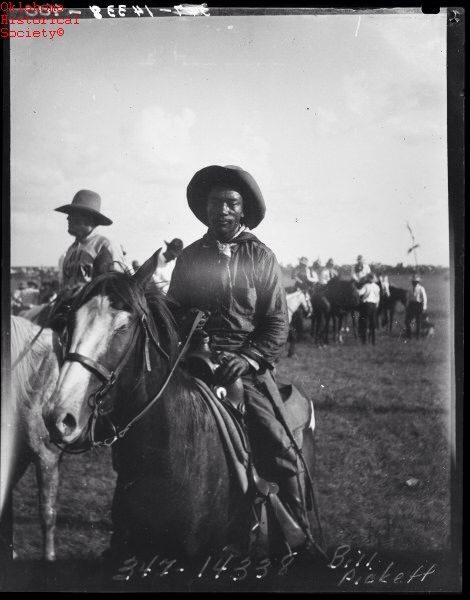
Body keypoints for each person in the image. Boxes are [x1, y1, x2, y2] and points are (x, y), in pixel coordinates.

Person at [168, 164, 311, 544]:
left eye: (232, 203)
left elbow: (277, 322)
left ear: (244, 210)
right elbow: (172, 311)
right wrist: (186, 331)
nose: (223, 210)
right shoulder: (190, 257)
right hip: (192, 361)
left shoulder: (261, 257)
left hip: (245, 367)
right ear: (206, 209)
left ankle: (299, 533)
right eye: (216, 203)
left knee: (278, 444)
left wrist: (247, 358)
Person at [55, 189, 127, 292]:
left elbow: (118, 285)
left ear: (89, 218)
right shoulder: (71, 250)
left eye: (73, 214)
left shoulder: (104, 246)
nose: (68, 218)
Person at [357, 272, 381, 344]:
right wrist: (377, 305)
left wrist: (355, 289)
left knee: (365, 323)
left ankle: (364, 341)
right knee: (373, 323)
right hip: (374, 305)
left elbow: (360, 293)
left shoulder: (366, 286)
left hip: (366, 305)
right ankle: (373, 341)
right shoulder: (377, 287)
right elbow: (378, 297)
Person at [405, 274, 427, 339]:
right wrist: (407, 306)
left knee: (418, 321)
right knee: (407, 321)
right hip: (411, 305)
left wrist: (424, 307)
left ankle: (417, 336)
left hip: (418, 305)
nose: (413, 282)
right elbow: (408, 298)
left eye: (415, 281)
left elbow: (424, 298)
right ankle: (409, 335)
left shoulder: (421, 288)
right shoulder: (409, 288)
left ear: (418, 282)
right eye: (413, 281)